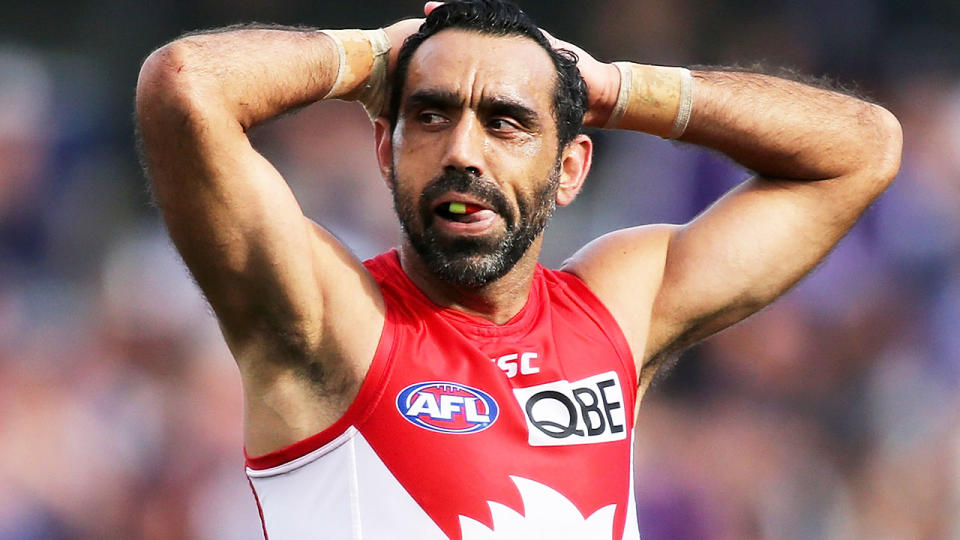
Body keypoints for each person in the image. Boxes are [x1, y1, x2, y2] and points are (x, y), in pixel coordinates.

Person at [134, 0, 901, 538]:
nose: (463, 151)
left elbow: (863, 150)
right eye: (430, 114)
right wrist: (373, 54)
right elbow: (185, 86)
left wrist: (617, 88)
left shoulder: (617, 308)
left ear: (570, 169)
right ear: (383, 149)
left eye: (507, 121)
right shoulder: (330, 319)